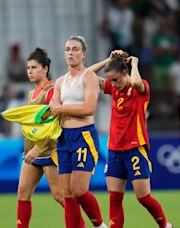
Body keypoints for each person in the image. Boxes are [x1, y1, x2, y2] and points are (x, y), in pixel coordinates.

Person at [88, 50, 172, 228]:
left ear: (125, 73)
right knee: (114, 197)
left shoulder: (140, 88)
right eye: (110, 80)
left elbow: (135, 81)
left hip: (135, 148)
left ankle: (165, 225)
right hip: (114, 149)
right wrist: (107, 61)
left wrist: (134, 63)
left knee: (143, 197)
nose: (113, 84)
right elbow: (86, 76)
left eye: (116, 79)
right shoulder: (113, 88)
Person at [50, 36, 107, 228]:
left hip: (84, 136)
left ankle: (99, 225)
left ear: (84, 54)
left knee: (79, 189)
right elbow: (53, 106)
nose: (70, 53)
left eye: (75, 49)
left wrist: (61, 109)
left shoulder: (89, 77)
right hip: (64, 138)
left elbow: (89, 108)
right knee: (67, 193)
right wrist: (56, 108)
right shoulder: (59, 82)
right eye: (67, 49)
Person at [15, 48, 64, 228]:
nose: (30, 71)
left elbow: (54, 124)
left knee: (60, 196)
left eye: (34, 67)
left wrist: (37, 148)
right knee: (22, 192)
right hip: (32, 151)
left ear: (45, 69)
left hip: (49, 151)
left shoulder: (51, 91)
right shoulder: (32, 93)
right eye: (28, 68)